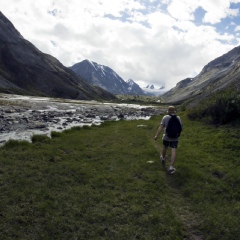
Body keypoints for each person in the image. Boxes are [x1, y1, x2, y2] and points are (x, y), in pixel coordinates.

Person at [154, 106, 182, 174]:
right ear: (174, 111)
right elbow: (181, 127)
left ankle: (163, 158)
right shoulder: (178, 117)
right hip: (175, 138)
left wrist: (156, 135)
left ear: (168, 111)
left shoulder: (165, 117)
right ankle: (171, 167)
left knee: (165, 147)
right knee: (174, 150)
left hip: (166, 137)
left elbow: (161, 127)